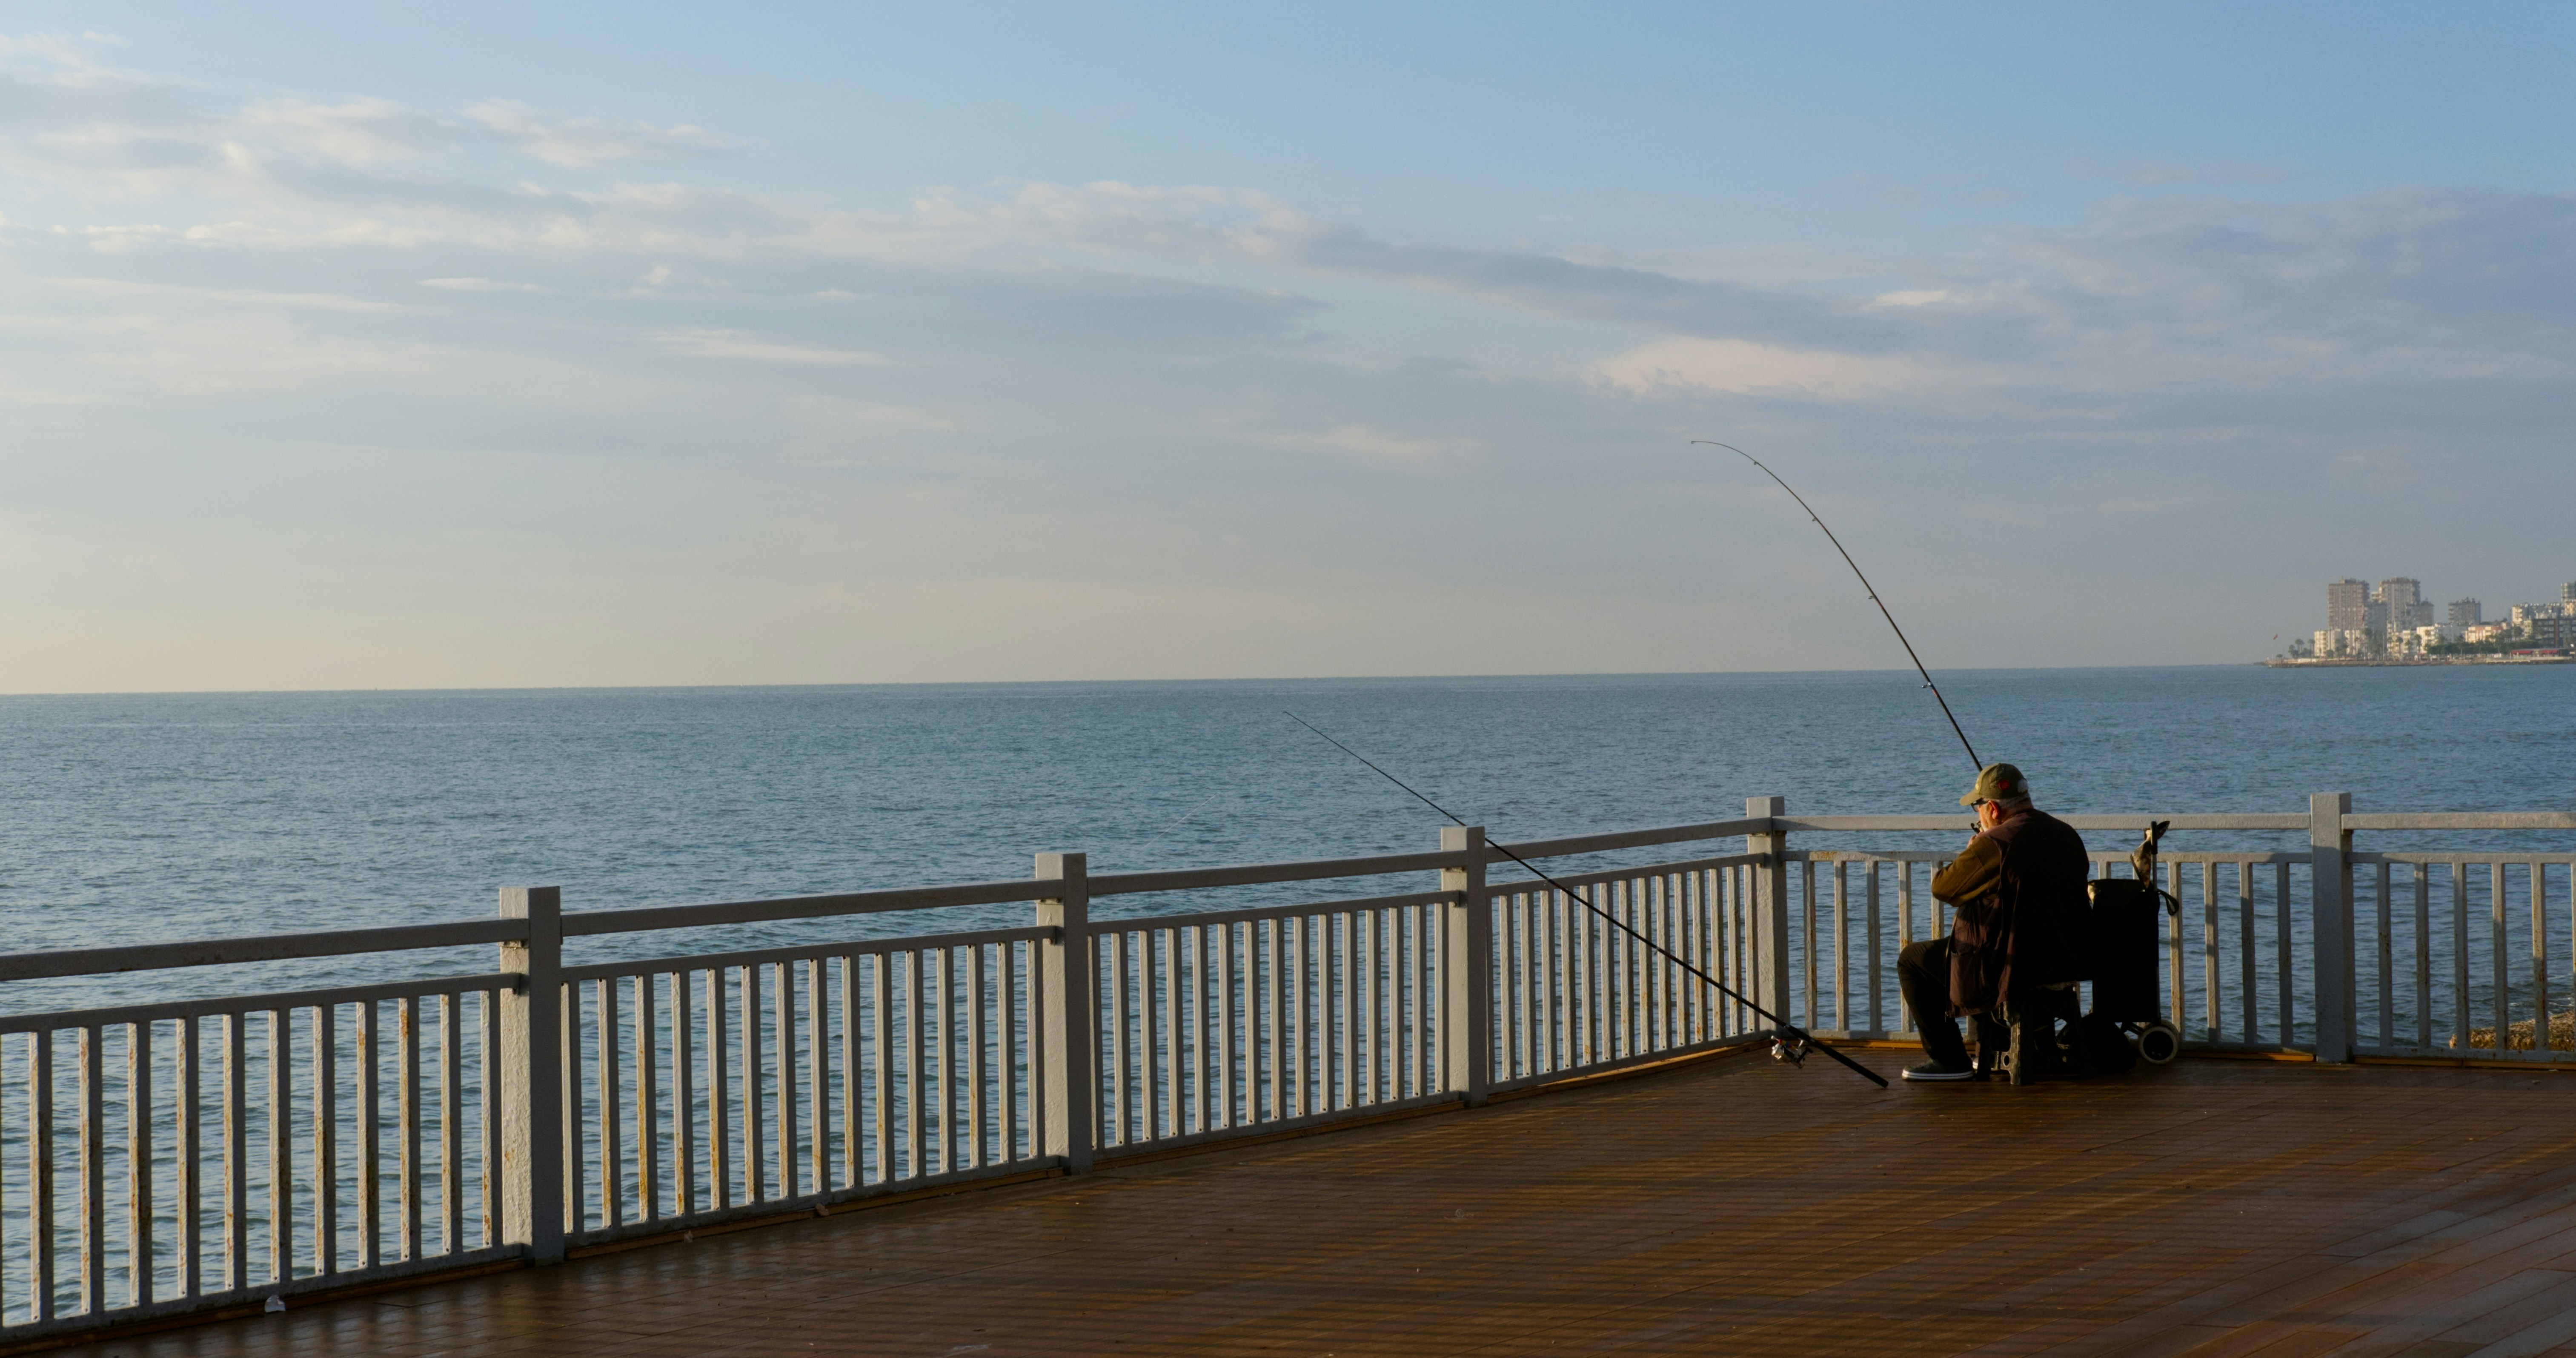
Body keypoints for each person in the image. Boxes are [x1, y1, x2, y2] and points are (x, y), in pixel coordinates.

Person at [1898, 762, 2091, 1082]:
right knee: (1981, 947)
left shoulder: (1996, 843)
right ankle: (2002, 1044)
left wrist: (1976, 848)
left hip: (2011, 964)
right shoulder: (2065, 833)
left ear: (1992, 808)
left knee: (1914, 961)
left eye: (1977, 808)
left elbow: (1944, 888)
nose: (1977, 816)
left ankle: (1950, 1060)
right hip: (2065, 958)